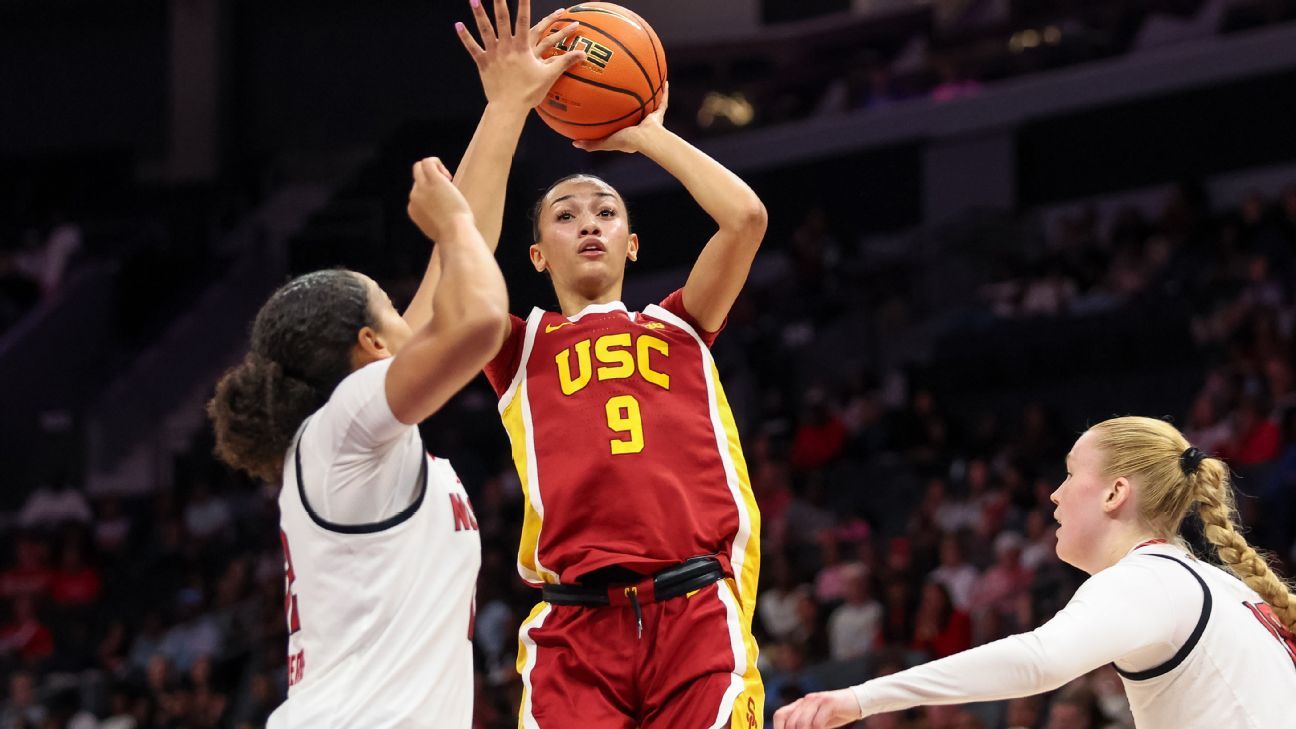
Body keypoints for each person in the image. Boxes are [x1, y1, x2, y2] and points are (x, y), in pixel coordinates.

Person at [450, 1, 769, 725]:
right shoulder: (518, 344)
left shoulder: (681, 325)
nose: (588, 221)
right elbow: (458, 249)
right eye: (565, 214)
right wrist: (506, 106)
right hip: (575, 627)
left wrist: (646, 133)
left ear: (631, 243)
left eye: (606, 211)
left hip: (691, 609)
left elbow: (745, 219)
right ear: (537, 255)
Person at [206, 157, 508, 728]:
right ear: (371, 343)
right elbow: (479, 320)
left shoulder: (343, 434)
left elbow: (463, 266)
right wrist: (451, 227)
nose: (414, 313)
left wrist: (507, 104)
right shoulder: (345, 424)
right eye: (395, 308)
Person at [775, 416, 1296, 729]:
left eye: (1069, 475)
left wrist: (859, 698)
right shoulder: (1215, 583)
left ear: (1116, 493)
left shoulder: (1150, 577)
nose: (1053, 494)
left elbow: (1039, 661)